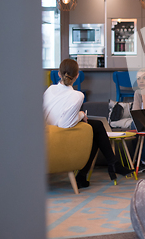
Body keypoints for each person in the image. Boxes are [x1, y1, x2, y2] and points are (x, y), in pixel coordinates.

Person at [43, 59, 134, 188]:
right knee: (94, 129)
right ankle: (112, 165)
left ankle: (86, 174)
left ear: (59, 74)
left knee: (96, 127)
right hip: (60, 137)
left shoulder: (50, 89)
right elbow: (64, 123)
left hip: (46, 134)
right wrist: (81, 115)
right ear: (77, 75)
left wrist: (80, 116)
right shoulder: (77, 95)